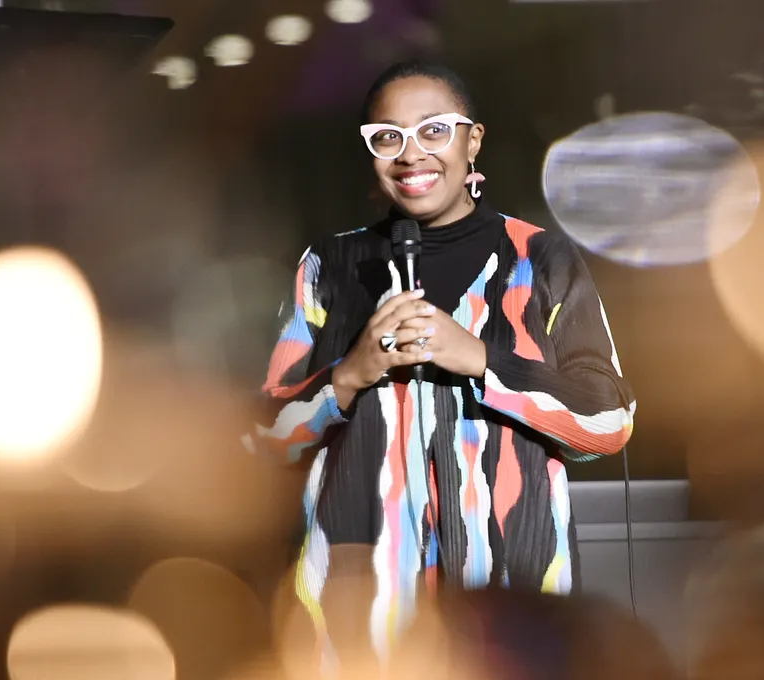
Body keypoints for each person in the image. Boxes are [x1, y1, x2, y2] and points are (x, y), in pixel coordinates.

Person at [246, 59, 635, 663]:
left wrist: (480, 358)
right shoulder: (330, 266)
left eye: (434, 130)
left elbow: (608, 422)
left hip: (512, 617)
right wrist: (350, 374)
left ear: (472, 141)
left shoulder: (541, 260)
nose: (411, 154)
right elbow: (266, 440)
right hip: (361, 624)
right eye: (388, 137)